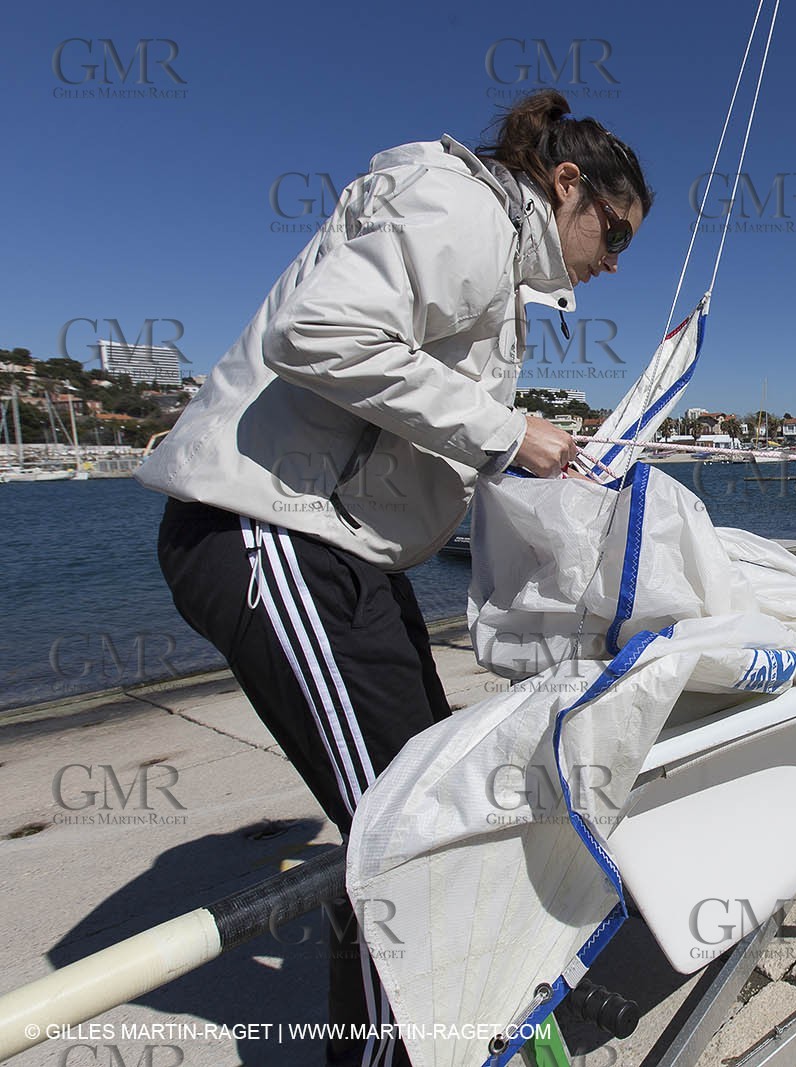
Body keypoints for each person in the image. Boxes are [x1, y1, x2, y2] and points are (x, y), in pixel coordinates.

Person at [136, 90, 650, 1067]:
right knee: (411, 836)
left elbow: (417, 414)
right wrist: (510, 432)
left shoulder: (494, 258)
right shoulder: (464, 209)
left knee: (436, 812)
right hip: (270, 529)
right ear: (566, 182)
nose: (615, 260)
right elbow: (317, 330)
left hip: (341, 546)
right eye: (614, 231)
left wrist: (531, 465)